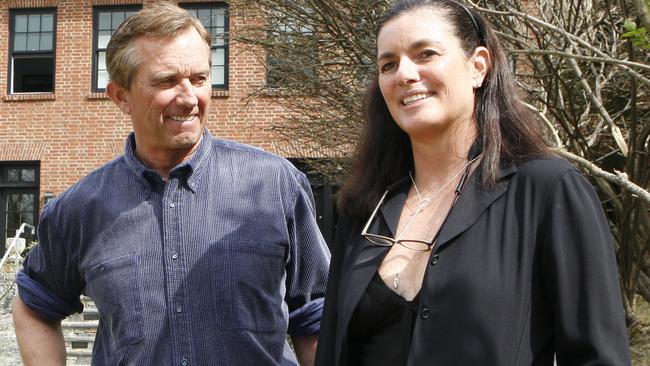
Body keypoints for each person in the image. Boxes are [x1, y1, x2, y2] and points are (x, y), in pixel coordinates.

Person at [315, 0, 631, 365]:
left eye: (426, 54)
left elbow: (598, 356)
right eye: (388, 64)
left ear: (478, 67)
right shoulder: (364, 208)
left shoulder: (547, 189)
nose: (404, 74)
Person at [12, 3, 330, 365]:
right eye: (166, 81)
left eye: (199, 78)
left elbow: (316, 317)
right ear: (120, 95)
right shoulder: (79, 209)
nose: (190, 98)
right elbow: (34, 308)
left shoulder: (276, 185)